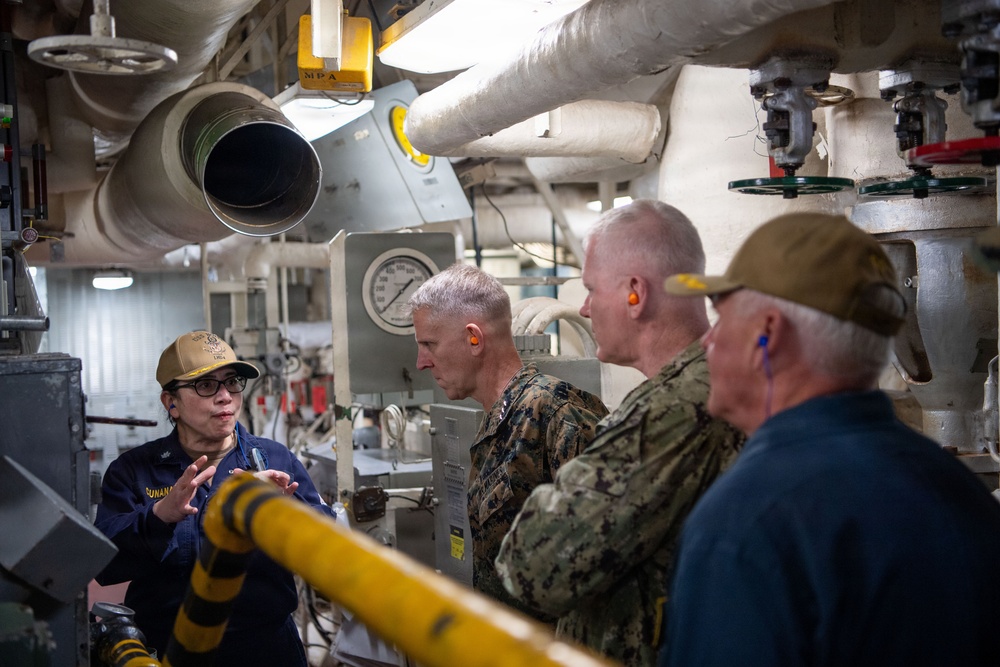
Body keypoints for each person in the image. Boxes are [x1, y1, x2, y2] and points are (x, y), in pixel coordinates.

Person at [659, 212, 1000, 667]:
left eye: (721, 317)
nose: (708, 342)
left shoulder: (749, 523)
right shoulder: (960, 491)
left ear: (767, 333)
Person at [495, 199, 745, 665]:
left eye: (592, 289)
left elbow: (533, 567)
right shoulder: (723, 381)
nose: (585, 308)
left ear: (635, 293)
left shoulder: (672, 410)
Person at [95, 330, 331, 664]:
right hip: (173, 650)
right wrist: (159, 516)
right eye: (206, 385)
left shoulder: (276, 460)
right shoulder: (134, 471)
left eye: (232, 382)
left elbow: (325, 549)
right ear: (171, 402)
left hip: (266, 649)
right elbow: (104, 562)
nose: (225, 397)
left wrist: (286, 517)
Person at [406, 262, 608, 622]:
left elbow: (600, 561)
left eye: (429, 344)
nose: (422, 362)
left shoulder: (557, 413)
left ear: (474, 338)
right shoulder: (497, 420)